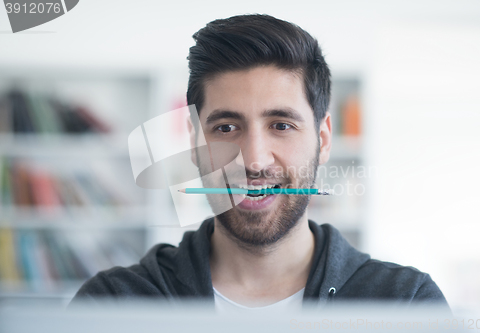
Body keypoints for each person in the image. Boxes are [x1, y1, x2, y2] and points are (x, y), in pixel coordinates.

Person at [69, 14, 449, 313]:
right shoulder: (112, 303)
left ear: (323, 138)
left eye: (281, 125)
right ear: (193, 140)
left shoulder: (405, 304)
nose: (253, 159)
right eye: (226, 126)